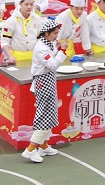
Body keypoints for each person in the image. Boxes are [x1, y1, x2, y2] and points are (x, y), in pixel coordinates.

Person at [21, 19, 66, 163]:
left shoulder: (48, 43)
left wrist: (57, 49)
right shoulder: (41, 48)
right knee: (44, 115)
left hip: (49, 80)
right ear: (46, 33)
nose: (56, 36)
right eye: (55, 34)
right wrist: (63, 51)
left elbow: (51, 59)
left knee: (51, 113)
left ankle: (44, 146)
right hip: (43, 81)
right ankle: (30, 149)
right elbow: (53, 64)